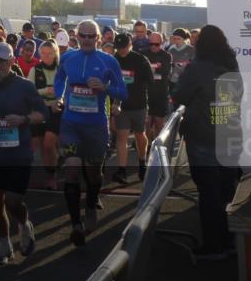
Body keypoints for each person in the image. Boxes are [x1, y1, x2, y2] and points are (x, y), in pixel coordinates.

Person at [0, 42, 49, 265]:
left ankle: (24, 224)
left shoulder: (25, 86)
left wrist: (23, 119)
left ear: (12, 61)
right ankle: (4, 245)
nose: (0, 65)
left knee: (13, 201)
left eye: (4, 61)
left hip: (19, 153)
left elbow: (43, 113)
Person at [171, 24, 242, 260]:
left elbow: (179, 95)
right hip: (230, 136)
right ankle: (230, 241)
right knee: (228, 191)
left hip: (204, 138)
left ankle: (213, 246)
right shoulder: (232, 66)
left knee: (209, 194)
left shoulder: (197, 68)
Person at [55, 20, 127, 247]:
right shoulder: (67, 58)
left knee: (94, 173)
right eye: (83, 36)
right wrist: (59, 97)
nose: (86, 40)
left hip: (96, 126)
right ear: (76, 36)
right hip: (71, 124)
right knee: (72, 169)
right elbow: (59, 79)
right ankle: (76, 225)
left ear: (98, 38)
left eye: (91, 36)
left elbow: (123, 92)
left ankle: (91, 203)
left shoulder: (109, 61)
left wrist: (105, 88)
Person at [112, 32, 153, 184]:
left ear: (130, 45)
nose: (121, 50)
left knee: (140, 135)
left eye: (123, 47)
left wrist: (149, 105)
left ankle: (142, 162)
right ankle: (122, 170)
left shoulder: (141, 60)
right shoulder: (113, 60)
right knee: (121, 136)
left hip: (139, 105)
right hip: (121, 106)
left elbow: (150, 82)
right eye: (118, 47)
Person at [27, 39, 61, 190]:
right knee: (42, 145)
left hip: (57, 110)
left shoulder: (61, 69)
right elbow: (29, 93)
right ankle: (49, 172)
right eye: (44, 53)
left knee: (48, 144)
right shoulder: (35, 70)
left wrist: (58, 99)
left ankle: (52, 175)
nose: (46, 56)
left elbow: (67, 89)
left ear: (55, 54)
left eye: (50, 53)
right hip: (40, 110)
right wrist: (46, 91)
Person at [145, 31, 173, 141]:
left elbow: (165, 71)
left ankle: (157, 145)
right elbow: (142, 72)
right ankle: (147, 146)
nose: (153, 46)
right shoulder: (143, 54)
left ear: (161, 43)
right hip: (146, 93)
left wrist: (150, 68)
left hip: (161, 94)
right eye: (151, 44)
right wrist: (156, 67)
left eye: (156, 44)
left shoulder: (166, 56)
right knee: (147, 122)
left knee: (159, 122)